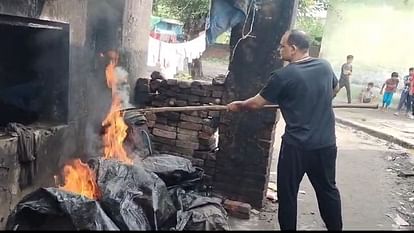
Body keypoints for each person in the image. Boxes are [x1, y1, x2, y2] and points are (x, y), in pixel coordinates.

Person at [227, 30, 342, 231]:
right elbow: (336, 87)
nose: (280, 49)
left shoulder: (284, 76)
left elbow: (255, 104)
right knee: (327, 190)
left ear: (293, 48)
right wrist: (318, 100)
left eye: (282, 46)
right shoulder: (324, 66)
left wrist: (237, 105)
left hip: (297, 147)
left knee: (288, 195)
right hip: (326, 144)